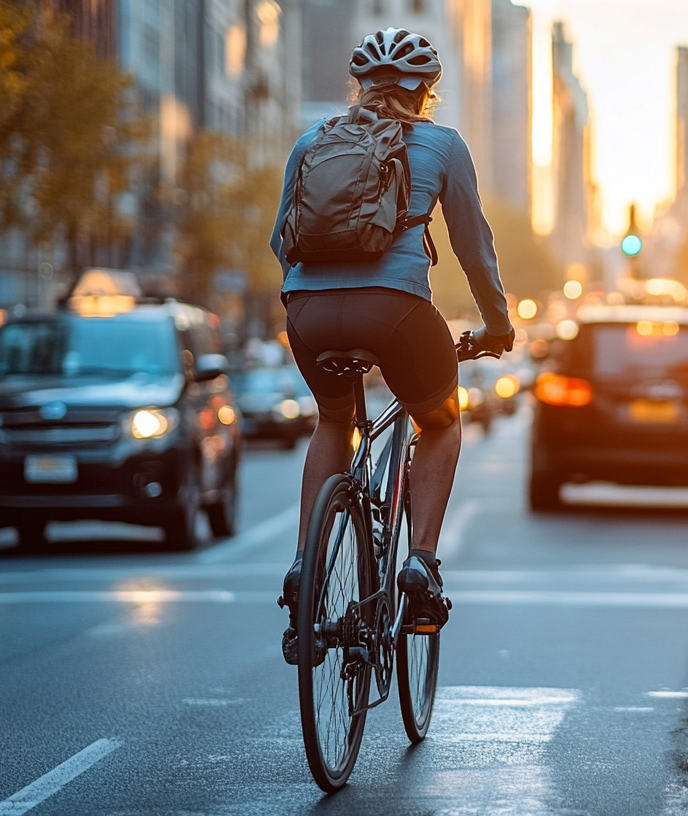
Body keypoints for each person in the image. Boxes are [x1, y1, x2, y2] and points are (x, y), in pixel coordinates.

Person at [270, 28, 514, 639]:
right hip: (398, 311)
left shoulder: (310, 142)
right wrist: (497, 325)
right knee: (442, 420)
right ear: (426, 92)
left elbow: (281, 240)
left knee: (331, 420)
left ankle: (305, 564)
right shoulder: (443, 145)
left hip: (308, 310)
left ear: (360, 89)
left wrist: (316, 295)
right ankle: (420, 566)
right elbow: (473, 248)